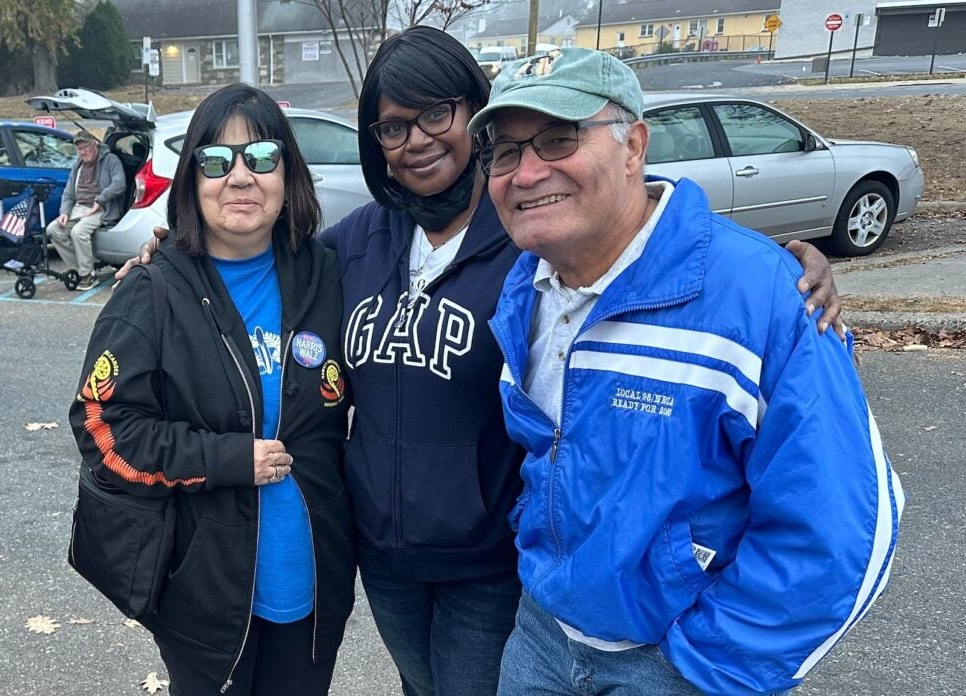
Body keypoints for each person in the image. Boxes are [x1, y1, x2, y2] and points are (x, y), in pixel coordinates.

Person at [119, 28, 843, 696]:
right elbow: (263, 257)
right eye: (394, 126)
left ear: (475, 114)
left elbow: (638, 239)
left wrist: (784, 263)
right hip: (385, 555)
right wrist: (170, 250)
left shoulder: (531, 228)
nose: (417, 140)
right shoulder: (357, 242)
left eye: (439, 114)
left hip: (488, 561)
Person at [466, 47, 905, 696]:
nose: (527, 171)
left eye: (559, 139)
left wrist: (707, 668)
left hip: (675, 661)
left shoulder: (759, 296)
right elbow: (548, 450)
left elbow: (843, 533)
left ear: (634, 145)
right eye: (506, 151)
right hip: (543, 638)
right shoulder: (526, 287)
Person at [69, 84, 355, 695]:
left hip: (312, 592)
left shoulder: (329, 274)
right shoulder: (153, 292)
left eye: (262, 157)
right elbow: (102, 426)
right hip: (204, 599)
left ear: (289, 173)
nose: (241, 178)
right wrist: (224, 458)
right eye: (216, 161)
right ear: (193, 181)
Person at [49, 130, 125, 290]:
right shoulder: (77, 165)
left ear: (95, 144)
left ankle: (88, 276)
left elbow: (119, 184)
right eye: (79, 149)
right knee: (54, 230)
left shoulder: (110, 160)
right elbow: (68, 193)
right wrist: (65, 212)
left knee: (78, 232)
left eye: (86, 147)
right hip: (79, 208)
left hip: (102, 208)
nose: (83, 152)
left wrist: (100, 200)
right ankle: (81, 269)